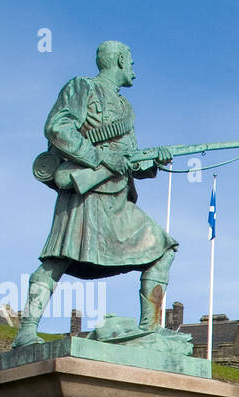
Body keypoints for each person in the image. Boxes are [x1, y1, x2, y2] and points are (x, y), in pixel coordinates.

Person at [12, 41, 176, 348]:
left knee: (163, 248)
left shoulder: (127, 109)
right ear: (117, 61)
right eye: (131, 62)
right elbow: (57, 128)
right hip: (86, 192)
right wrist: (98, 158)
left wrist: (154, 161)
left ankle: (148, 329)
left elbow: (128, 160)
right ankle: (26, 331)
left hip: (116, 197)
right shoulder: (81, 87)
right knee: (56, 260)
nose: (134, 71)